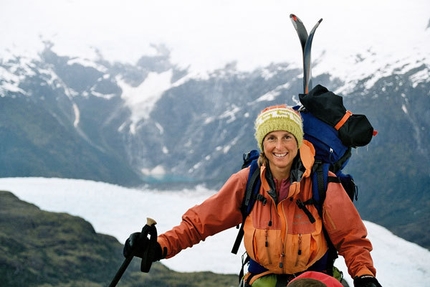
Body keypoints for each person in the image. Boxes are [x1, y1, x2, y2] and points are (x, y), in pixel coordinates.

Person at [123, 103, 382, 287]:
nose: (279, 146)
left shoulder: (323, 184)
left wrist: (364, 276)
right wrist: (159, 246)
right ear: (262, 144)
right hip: (262, 280)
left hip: (315, 280)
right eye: (271, 138)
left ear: (298, 141)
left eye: (287, 137)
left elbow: (351, 239)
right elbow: (199, 224)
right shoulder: (247, 182)